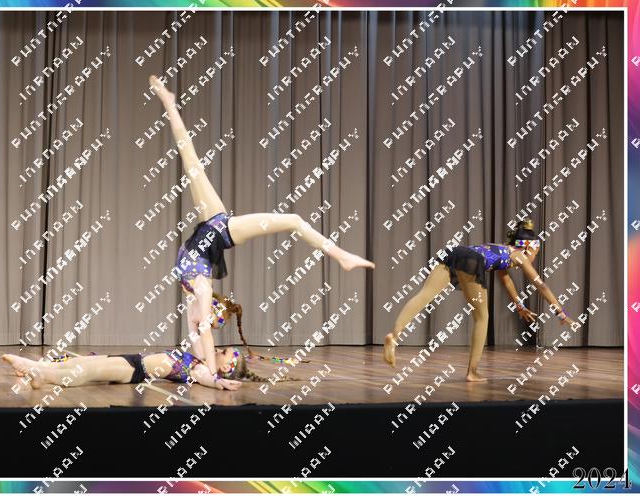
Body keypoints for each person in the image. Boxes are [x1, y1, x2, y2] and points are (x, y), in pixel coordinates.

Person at [149, 75, 375, 377]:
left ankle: (169, 104)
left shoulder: (198, 315)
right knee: (195, 164)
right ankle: (341, 256)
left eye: (226, 354)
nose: (226, 349)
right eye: (230, 353)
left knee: (193, 162)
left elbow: (201, 333)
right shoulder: (202, 301)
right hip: (216, 232)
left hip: (213, 233)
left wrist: (213, 375)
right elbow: (204, 333)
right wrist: (214, 369)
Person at [383, 219, 576, 382]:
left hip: (455, 252)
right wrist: (561, 312)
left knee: (424, 295)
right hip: (471, 260)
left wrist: (519, 305)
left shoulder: (504, 250)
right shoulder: (519, 256)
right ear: (528, 247)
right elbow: (541, 285)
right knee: (482, 317)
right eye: (536, 252)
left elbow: (506, 280)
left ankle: (394, 335)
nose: (534, 257)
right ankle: (472, 372)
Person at [2, 346, 254, 391]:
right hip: (134, 360)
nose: (218, 350)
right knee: (79, 363)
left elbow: (205, 378)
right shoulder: (199, 361)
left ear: (226, 367)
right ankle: (31, 366)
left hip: (135, 371)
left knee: (87, 373)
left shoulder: (201, 370)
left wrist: (217, 382)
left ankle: (42, 376)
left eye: (223, 353)